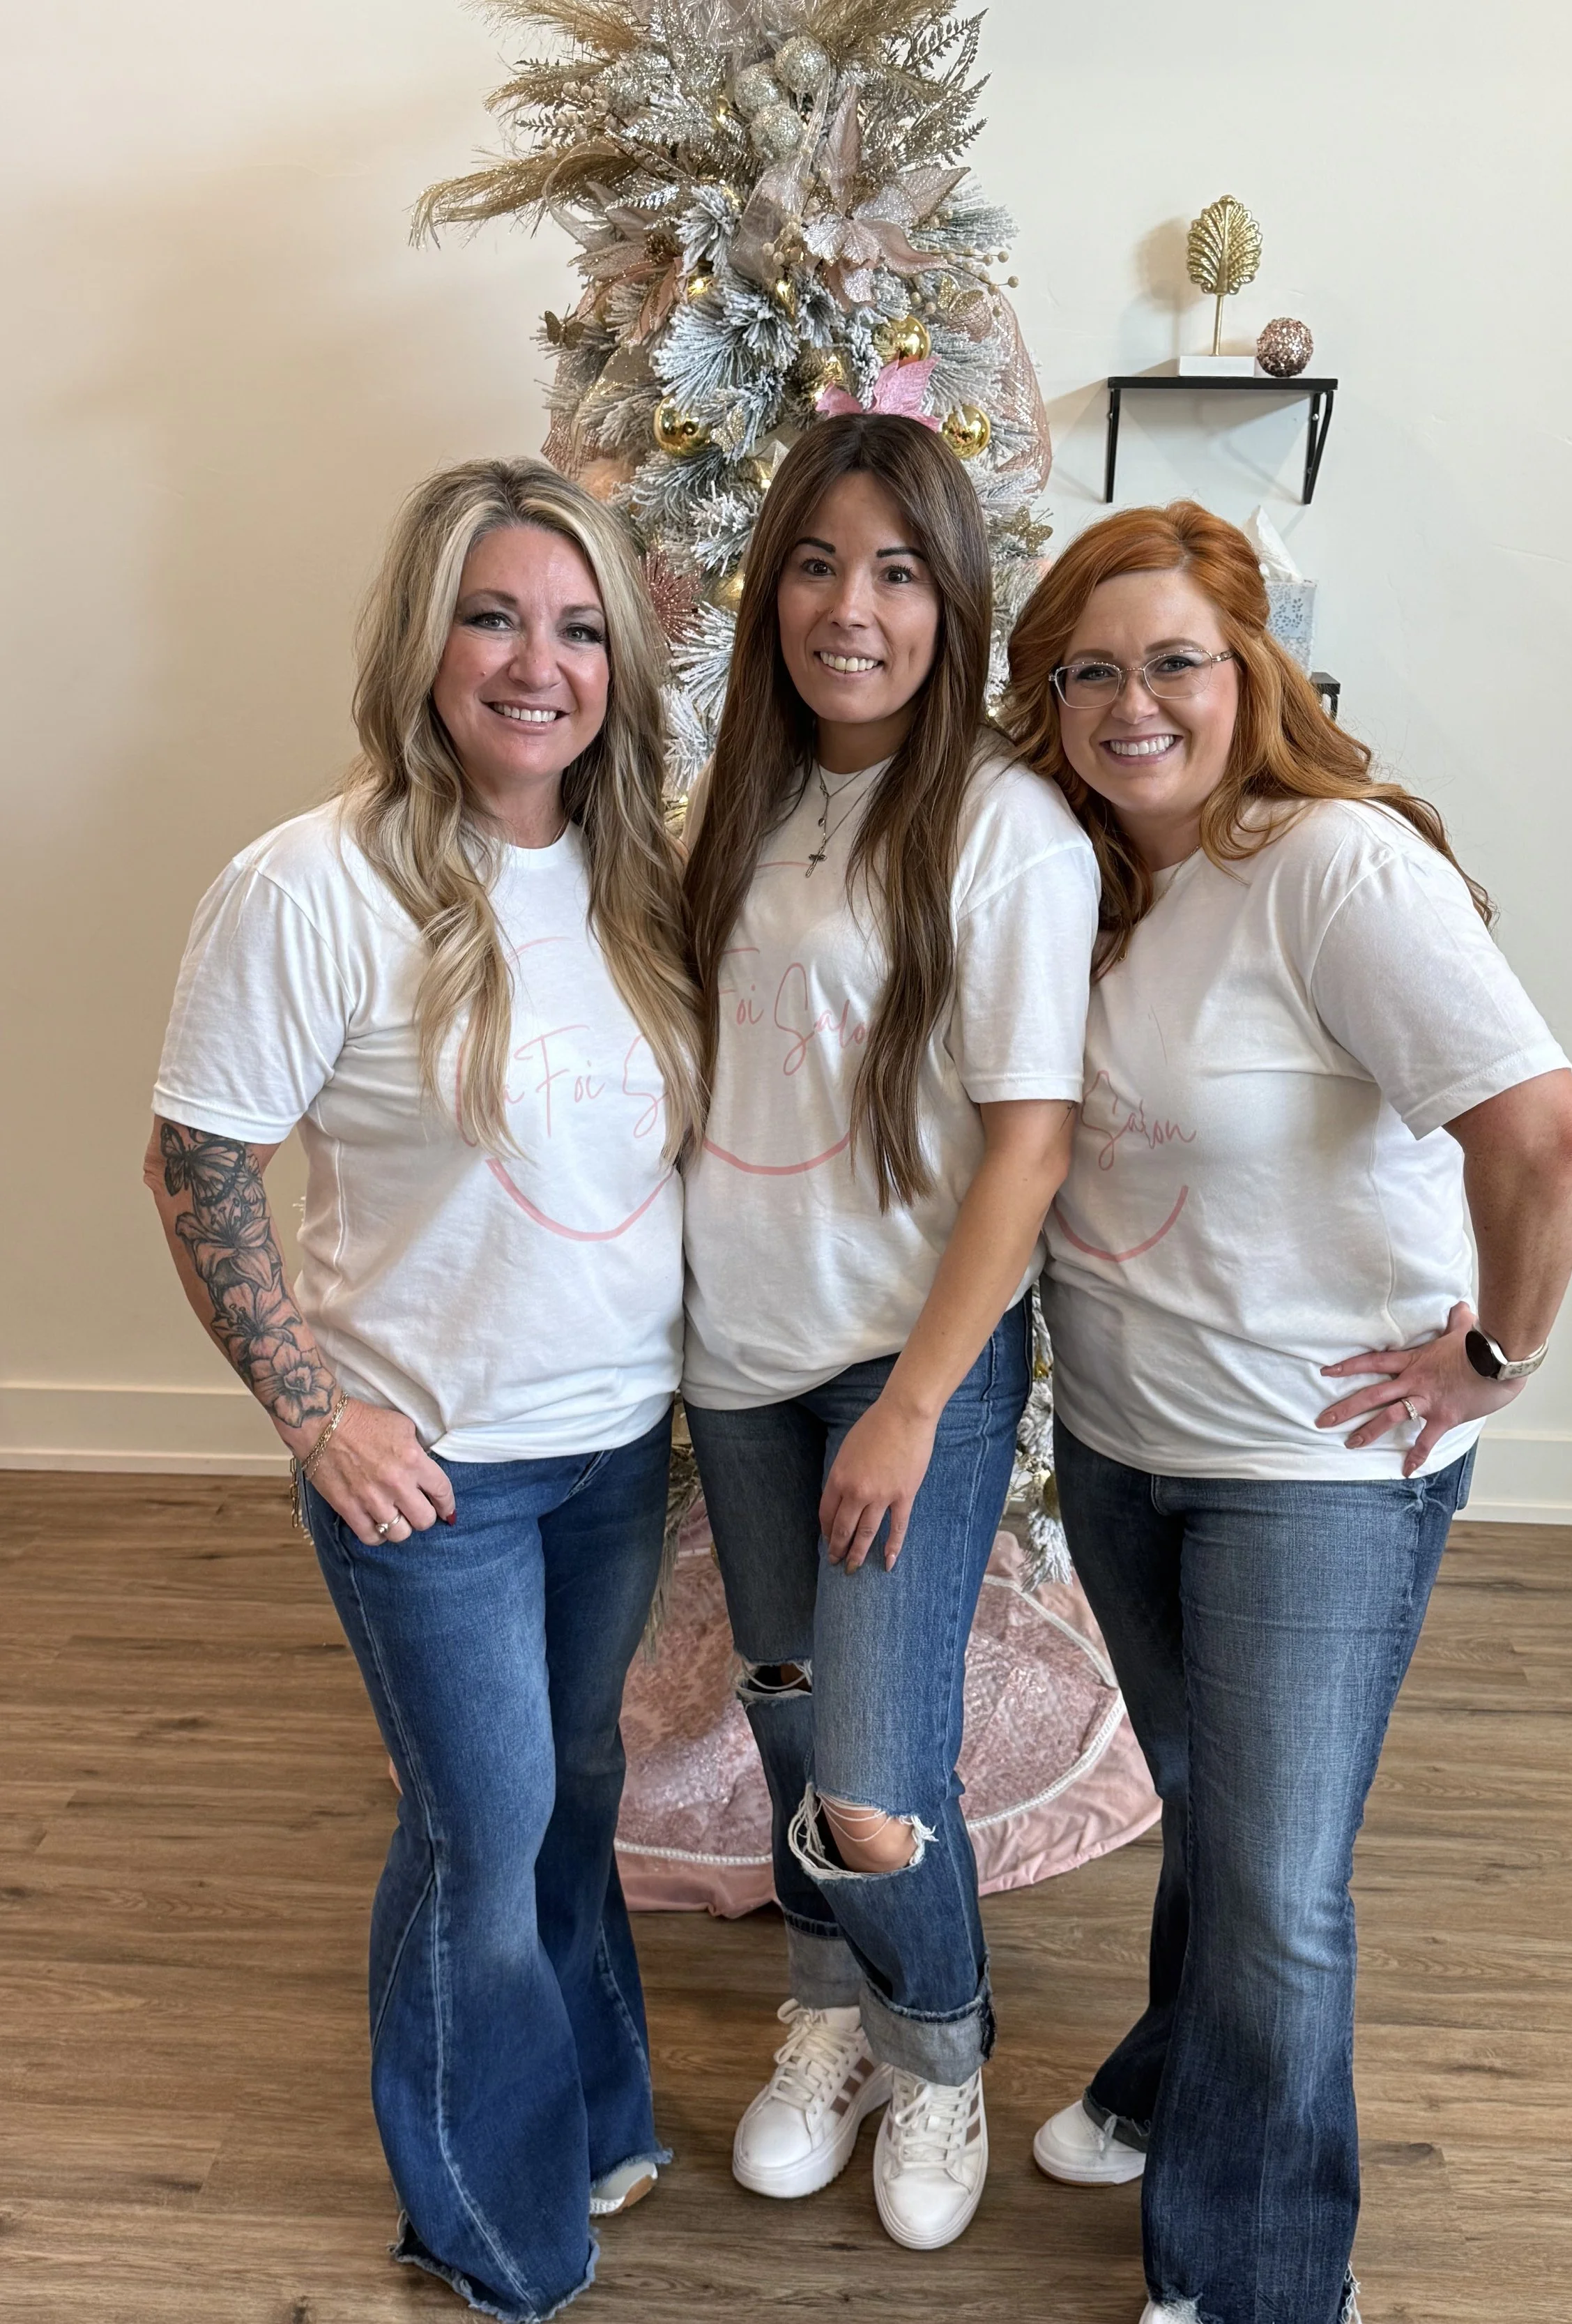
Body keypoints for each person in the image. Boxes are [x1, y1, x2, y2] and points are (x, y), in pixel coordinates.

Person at [1001, 502, 1572, 2324]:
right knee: (1210, 1805)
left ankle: (1257, 2268)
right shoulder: (1084, 880)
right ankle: (1181, 2069)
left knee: (1272, 1879)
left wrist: (1493, 1352)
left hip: (1308, 1473)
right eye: (1087, 670)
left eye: (1170, 658)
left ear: (1247, 669)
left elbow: (1540, 1127)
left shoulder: (1330, 866)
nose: (1130, 703)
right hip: (1122, 1444)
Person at [145, 457, 701, 2323]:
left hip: (616, 1443)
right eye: (490, 613)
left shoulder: (639, 876)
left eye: (573, 624)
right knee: (481, 1828)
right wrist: (314, 1412)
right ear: (423, 638)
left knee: (571, 1793)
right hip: (430, 1469)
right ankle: (486, 2216)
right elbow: (200, 1162)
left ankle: (595, 2114)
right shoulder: (312, 882)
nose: (534, 662)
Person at [679, 412, 1100, 2252]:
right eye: (819, 562)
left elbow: (1031, 1136)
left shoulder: (1002, 827)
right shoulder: (744, 800)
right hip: (736, 1347)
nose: (851, 607)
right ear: (773, 580)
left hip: (896, 1362)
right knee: (786, 1723)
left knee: (869, 1776)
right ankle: (835, 2017)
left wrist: (918, 1401)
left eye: (899, 570)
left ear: (952, 597)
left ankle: (940, 2054)